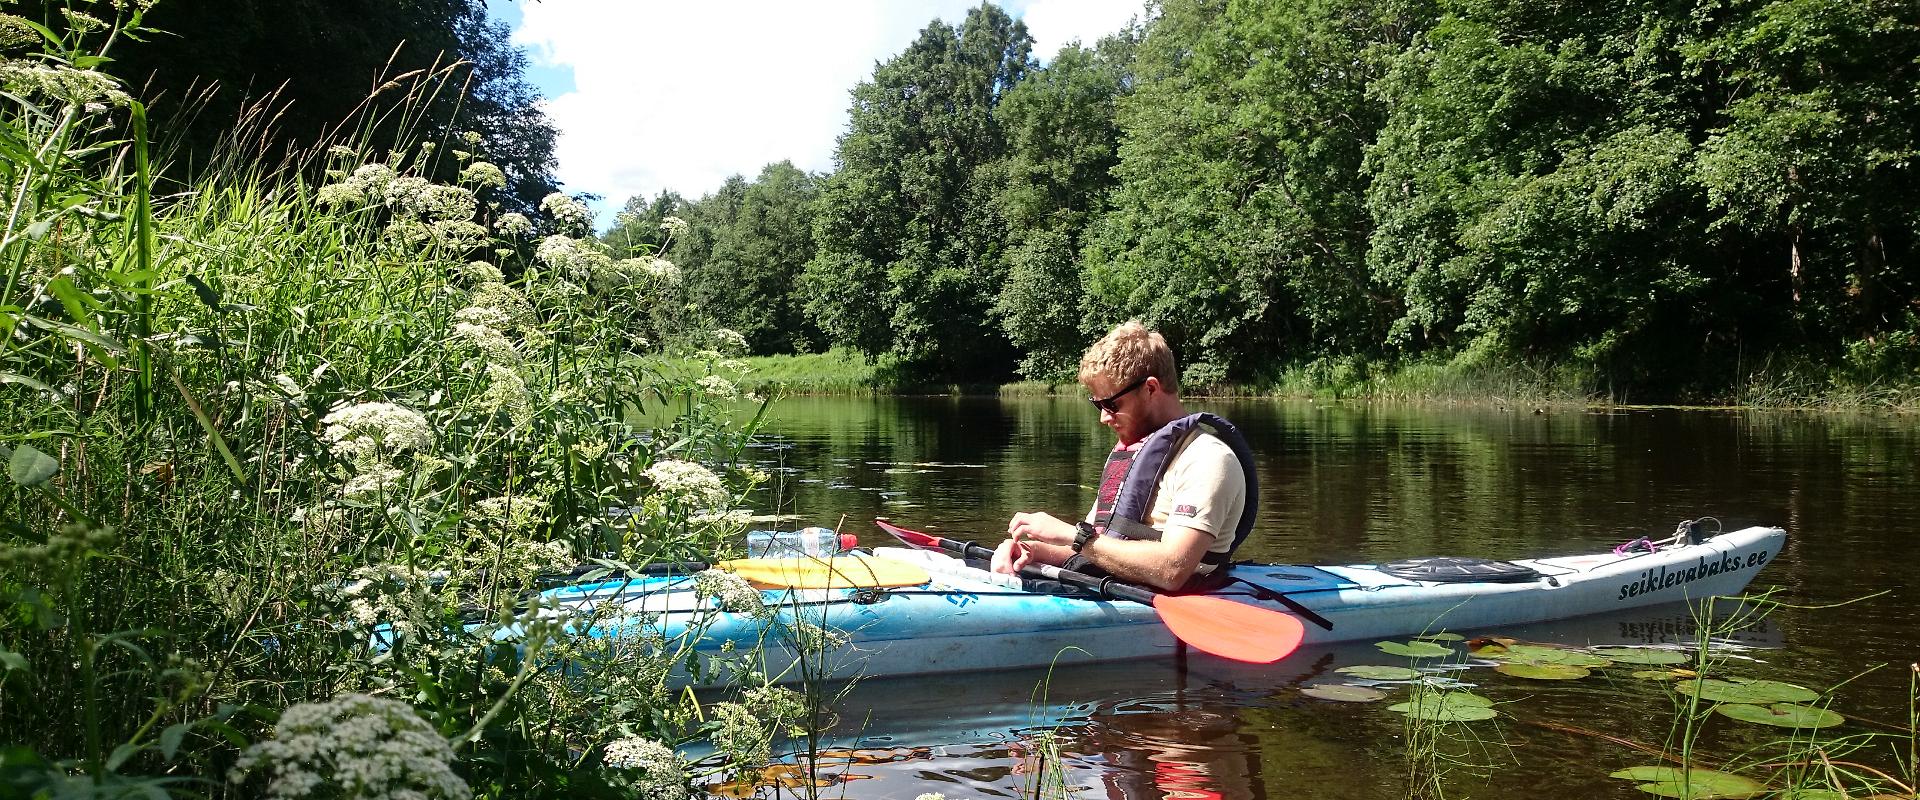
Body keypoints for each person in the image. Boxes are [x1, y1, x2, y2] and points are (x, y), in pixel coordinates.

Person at [989, 321, 1258, 592]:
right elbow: (1098, 551)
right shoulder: (1131, 455)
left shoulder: (1208, 460)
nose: (1104, 417)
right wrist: (1033, 550)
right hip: (1113, 586)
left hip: (1170, 596)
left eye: (1111, 404)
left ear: (1151, 389)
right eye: (1097, 405)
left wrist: (1073, 535)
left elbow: (1171, 570)